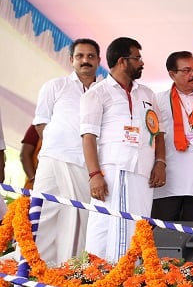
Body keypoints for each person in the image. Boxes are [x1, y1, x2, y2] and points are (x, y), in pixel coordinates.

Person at [82, 37, 165, 261]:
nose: (142, 63)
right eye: (137, 58)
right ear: (122, 61)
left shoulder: (147, 93)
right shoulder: (97, 93)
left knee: (138, 227)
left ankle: (132, 279)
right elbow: (88, 137)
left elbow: (158, 133)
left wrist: (160, 163)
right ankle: (100, 279)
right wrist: (94, 175)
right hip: (113, 170)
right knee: (108, 227)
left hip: (143, 173)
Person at [29, 39, 101, 264]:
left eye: (90, 56)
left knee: (80, 217)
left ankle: (70, 270)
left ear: (98, 61)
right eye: (80, 56)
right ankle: (34, 266)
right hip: (53, 159)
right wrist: (60, 146)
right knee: (43, 213)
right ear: (71, 60)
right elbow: (41, 123)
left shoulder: (104, 91)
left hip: (85, 166)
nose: (85, 61)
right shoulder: (55, 86)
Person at [151, 51, 193, 222]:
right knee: (163, 236)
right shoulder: (158, 100)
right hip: (168, 181)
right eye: (187, 70)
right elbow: (153, 137)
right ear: (172, 74)